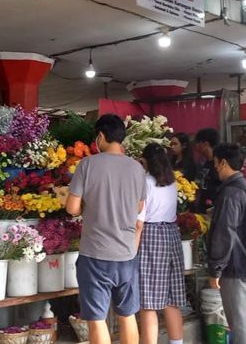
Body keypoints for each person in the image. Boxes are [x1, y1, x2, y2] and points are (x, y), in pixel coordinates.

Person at [66, 114, 148, 344]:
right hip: (127, 254)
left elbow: (72, 208)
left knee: (96, 318)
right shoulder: (137, 168)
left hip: (95, 254)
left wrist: (89, 206)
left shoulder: (88, 164)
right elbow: (139, 207)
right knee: (128, 314)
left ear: (100, 136)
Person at [206, 143, 246, 344]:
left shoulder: (230, 193)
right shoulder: (245, 186)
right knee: (242, 318)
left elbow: (224, 232)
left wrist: (216, 269)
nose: (214, 167)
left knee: (237, 320)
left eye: (215, 163)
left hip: (235, 265)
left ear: (223, 163)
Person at [135, 144, 186, 344]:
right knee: (171, 300)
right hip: (171, 235)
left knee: (148, 303)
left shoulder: (144, 182)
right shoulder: (172, 182)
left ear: (145, 161)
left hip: (151, 235)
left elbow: (139, 222)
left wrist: (132, 250)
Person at [194, 128, 220, 212]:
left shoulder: (219, 165)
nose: (196, 146)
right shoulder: (204, 162)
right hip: (203, 207)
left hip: (214, 208)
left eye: (198, 143)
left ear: (206, 144)